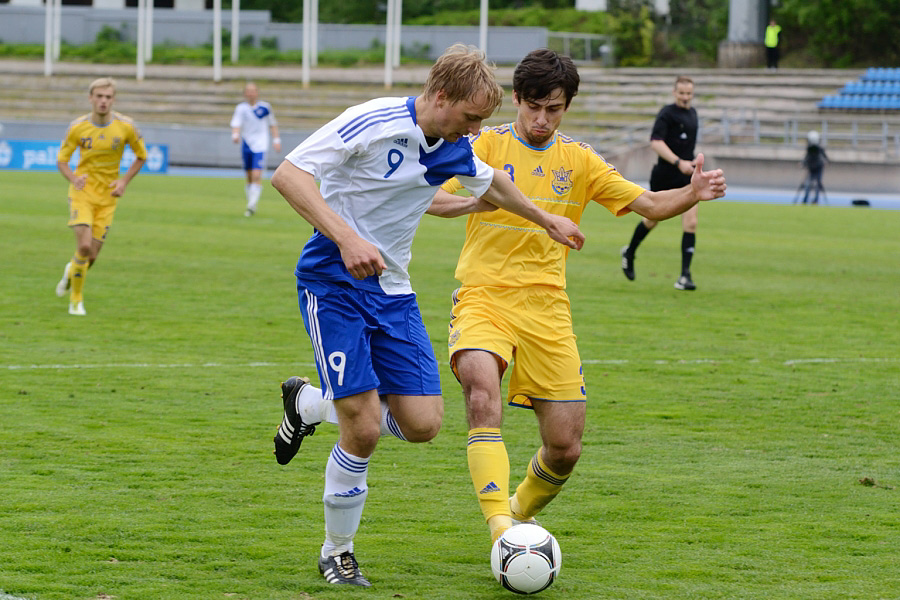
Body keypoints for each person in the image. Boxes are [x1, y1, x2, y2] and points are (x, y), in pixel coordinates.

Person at [268, 44, 585, 587]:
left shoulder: (453, 145)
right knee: (364, 429)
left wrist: (545, 220)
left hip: (393, 291)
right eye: (470, 118)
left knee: (423, 424)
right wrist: (345, 238)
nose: (475, 131)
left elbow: (492, 183)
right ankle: (336, 552)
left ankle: (309, 403)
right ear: (441, 96)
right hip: (333, 282)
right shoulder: (371, 121)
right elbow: (289, 175)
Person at [428, 49, 726, 545]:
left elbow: (648, 203)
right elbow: (428, 196)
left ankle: (519, 514)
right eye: (533, 107)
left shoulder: (580, 160)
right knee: (482, 392)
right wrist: (475, 201)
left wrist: (692, 193)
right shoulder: (482, 147)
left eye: (554, 109)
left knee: (565, 448)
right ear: (517, 101)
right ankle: (500, 527)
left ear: (566, 107)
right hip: (484, 295)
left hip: (548, 307)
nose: (542, 119)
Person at [54, 77, 147, 316]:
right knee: (84, 246)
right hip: (82, 193)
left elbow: (141, 156)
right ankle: (76, 301)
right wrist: (74, 179)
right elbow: (62, 160)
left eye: (108, 97)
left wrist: (124, 181)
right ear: (90, 98)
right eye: (99, 97)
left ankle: (70, 271)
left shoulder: (126, 126)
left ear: (113, 100)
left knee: (91, 256)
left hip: (108, 198)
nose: (103, 101)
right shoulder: (77, 127)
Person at [621, 75, 701, 291]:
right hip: (666, 174)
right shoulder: (667, 114)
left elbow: (687, 146)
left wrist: (690, 163)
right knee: (652, 219)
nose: (685, 97)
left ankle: (685, 276)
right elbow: (656, 143)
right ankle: (629, 252)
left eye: (689, 93)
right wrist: (678, 162)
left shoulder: (693, 114)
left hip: (687, 175)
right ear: (675, 93)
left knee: (691, 222)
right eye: (682, 93)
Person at [230, 82, 281, 216]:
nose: (251, 93)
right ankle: (251, 201)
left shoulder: (265, 108)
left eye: (253, 91)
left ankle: (252, 205)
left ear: (257, 93)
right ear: (245, 93)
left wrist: (276, 140)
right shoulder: (241, 108)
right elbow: (236, 123)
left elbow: (272, 124)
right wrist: (235, 135)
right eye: (248, 91)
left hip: (260, 145)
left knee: (256, 174)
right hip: (247, 144)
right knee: (248, 175)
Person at [801, 130, 828, 204]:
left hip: (818, 168)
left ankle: (815, 200)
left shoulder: (819, 149)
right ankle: (805, 199)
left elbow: (825, 158)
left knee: (817, 184)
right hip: (811, 167)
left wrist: (824, 162)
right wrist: (803, 163)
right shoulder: (809, 149)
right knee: (807, 184)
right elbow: (807, 157)